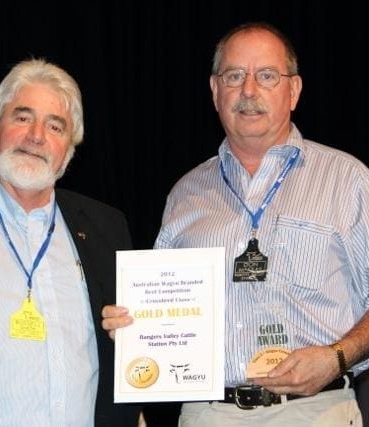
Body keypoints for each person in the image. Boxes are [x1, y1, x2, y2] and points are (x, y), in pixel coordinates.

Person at [102, 22, 369, 426]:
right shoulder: (185, 194)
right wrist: (130, 327)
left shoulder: (347, 180)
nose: (248, 90)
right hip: (208, 414)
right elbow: (157, 311)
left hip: (316, 411)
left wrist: (336, 356)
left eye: (266, 76)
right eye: (234, 76)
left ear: (293, 91)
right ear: (214, 91)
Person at [0, 58, 141, 426]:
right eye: (22, 117)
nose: (36, 136)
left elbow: (128, 345)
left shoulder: (106, 228)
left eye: (55, 126)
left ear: (69, 149)